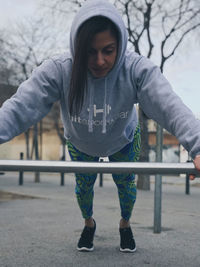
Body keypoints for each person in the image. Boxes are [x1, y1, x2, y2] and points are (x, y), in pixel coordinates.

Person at [0, 0, 200, 253]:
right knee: (83, 188)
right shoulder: (59, 70)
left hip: (124, 138)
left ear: (120, 45)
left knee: (127, 188)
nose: (100, 60)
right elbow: (20, 107)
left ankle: (125, 225)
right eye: (90, 52)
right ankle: (89, 224)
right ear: (77, 47)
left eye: (108, 50)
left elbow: (169, 106)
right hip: (80, 141)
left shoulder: (135, 68)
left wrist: (197, 145)